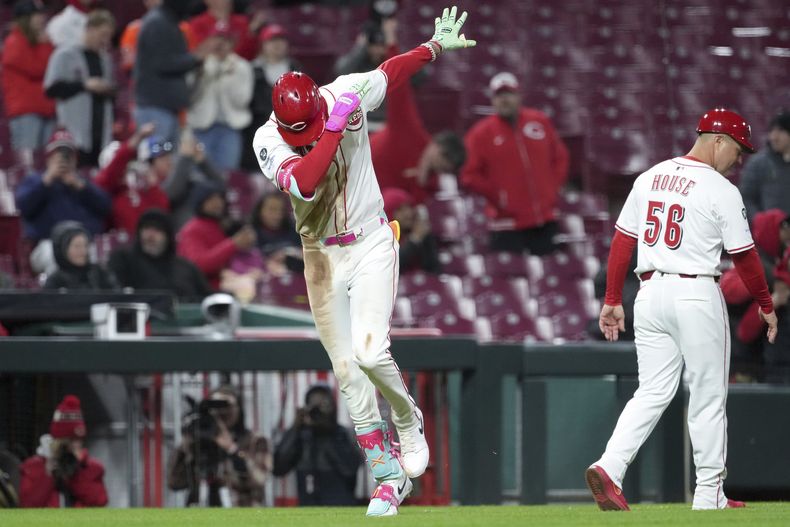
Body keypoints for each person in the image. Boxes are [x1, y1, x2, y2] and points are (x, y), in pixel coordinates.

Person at [252, 6, 475, 516]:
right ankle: (387, 478)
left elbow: (388, 74)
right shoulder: (267, 140)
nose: (303, 132)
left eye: (309, 123)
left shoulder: (342, 94)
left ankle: (406, 420)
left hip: (371, 238)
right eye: (297, 129)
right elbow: (306, 180)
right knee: (348, 372)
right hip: (321, 255)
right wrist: (331, 129)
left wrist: (432, 48)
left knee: (373, 354)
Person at [588, 108, 778, 511]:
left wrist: (611, 300)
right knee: (709, 394)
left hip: (650, 295)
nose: (739, 160)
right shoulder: (721, 189)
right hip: (696, 293)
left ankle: (610, 465)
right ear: (718, 141)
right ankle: (710, 494)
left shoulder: (650, 176)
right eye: (738, 150)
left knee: (652, 390)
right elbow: (744, 258)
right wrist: (765, 303)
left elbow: (623, 242)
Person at [461, 72, 569, 255]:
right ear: (493, 100)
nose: (504, 100)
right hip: (506, 225)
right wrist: (498, 197)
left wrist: (551, 188)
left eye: (509, 94)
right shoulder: (480, 134)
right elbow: (469, 175)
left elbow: (560, 157)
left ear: (519, 96)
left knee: (548, 275)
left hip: (544, 218)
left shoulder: (539, 121)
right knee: (510, 279)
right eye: (499, 95)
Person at [167, 385, 271, 507]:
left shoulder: (256, 441)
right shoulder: (201, 441)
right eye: (216, 408)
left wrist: (232, 449)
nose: (222, 412)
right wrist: (185, 447)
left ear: (238, 409)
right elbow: (175, 483)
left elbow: (259, 479)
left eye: (227, 407)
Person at [134, 0, 215, 145]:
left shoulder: (168, 22)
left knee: (168, 164)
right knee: (156, 163)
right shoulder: (157, 23)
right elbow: (161, 63)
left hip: (166, 109)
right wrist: (194, 59)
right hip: (155, 108)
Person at [43, 9, 116, 167]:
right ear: (89, 29)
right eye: (102, 34)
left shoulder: (105, 59)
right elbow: (51, 89)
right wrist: (85, 85)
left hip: (101, 132)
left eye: (109, 36)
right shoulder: (65, 54)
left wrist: (108, 89)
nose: (106, 40)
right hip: (74, 132)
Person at [15, 129, 111, 243]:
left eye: (68, 155)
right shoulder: (34, 180)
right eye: (59, 155)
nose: (64, 160)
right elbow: (24, 207)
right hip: (47, 242)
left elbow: (105, 207)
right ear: (49, 159)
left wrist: (81, 187)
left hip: (84, 242)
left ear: (75, 160)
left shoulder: (84, 181)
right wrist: (46, 181)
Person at [272, 384, 362, 506]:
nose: (319, 410)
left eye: (324, 404)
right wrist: (295, 428)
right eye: (314, 405)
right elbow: (278, 467)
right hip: (308, 510)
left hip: (340, 510)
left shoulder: (344, 434)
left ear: (333, 406)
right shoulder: (302, 436)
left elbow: (350, 470)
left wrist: (327, 432)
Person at [19, 395, 108, 508]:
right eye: (68, 441)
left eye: (78, 440)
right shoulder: (33, 467)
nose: (74, 445)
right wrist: (47, 474)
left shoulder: (92, 468)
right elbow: (27, 505)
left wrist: (74, 473)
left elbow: (99, 501)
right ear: (55, 441)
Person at [187, 21, 254, 171]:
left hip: (229, 129)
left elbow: (242, 101)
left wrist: (228, 78)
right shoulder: (199, 64)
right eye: (217, 39)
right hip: (202, 127)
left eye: (225, 40)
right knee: (199, 173)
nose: (220, 44)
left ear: (232, 43)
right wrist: (201, 73)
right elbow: (190, 96)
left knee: (227, 175)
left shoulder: (242, 66)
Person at [108, 209, 212, 301]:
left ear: (168, 236)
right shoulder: (124, 260)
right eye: (146, 228)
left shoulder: (186, 267)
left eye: (157, 230)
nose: (150, 235)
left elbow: (207, 297)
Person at [1, 0, 56, 166]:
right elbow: (39, 68)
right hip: (25, 112)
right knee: (27, 163)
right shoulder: (14, 41)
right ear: (25, 19)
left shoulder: (38, 42)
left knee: (47, 162)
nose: (41, 19)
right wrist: (46, 44)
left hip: (45, 108)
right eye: (36, 15)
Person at [241, 24, 301, 171]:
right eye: (272, 40)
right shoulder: (252, 69)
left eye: (281, 40)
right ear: (263, 45)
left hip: (289, 129)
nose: (277, 45)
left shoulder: (295, 68)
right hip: (258, 126)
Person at [95, 124, 172, 235]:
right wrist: (138, 138)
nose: (125, 170)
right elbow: (114, 169)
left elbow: (162, 211)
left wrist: (153, 186)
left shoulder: (137, 189)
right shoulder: (103, 189)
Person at [177, 182, 257, 289]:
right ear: (201, 202)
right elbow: (198, 265)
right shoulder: (192, 229)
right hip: (202, 293)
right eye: (211, 199)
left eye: (220, 198)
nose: (218, 203)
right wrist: (233, 244)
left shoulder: (221, 225)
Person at [161, 129, 226, 230]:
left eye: (169, 157)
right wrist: (184, 158)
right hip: (184, 231)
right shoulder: (154, 183)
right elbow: (171, 194)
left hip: (209, 229)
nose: (169, 161)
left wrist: (203, 162)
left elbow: (221, 187)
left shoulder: (192, 176)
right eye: (162, 158)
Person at [119, 0, 198, 74]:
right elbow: (129, 62)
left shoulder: (183, 28)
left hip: (180, 80)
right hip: (148, 82)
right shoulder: (133, 29)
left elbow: (192, 54)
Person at [739, 110, 790, 221]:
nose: (774, 137)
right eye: (771, 131)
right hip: (770, 235)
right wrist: (761, 222)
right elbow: (745, 198)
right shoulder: (758, 163)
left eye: (780, 131)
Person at [43, 220, 117, 290]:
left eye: (85, 245)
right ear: (62, 250)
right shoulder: (55, 282)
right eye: (77, 246)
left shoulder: (100, 274)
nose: (83, 251)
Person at [382, 188, 440, 274]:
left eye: (408, 207)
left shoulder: (421, 233)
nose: (408, 213)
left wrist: (426, 239)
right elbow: (392, 266)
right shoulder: (383, 239)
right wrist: (414, 240)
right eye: (400, 210)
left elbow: (434, 270)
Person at [188, 0, 262, 61]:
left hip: (238, 66)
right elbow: (198, 52)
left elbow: (250, 54)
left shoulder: (242, 22)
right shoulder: (197, 23)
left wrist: (252, 33)